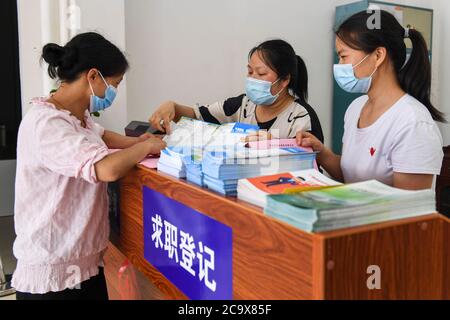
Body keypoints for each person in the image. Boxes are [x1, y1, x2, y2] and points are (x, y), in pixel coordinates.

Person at [12, 32, 166, 300]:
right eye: (114, 83)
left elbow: (102, 135)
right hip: (55, 276)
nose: (113, 92)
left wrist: (137, 140)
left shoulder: (75, 117)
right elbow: (105, 168)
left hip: (83, 267)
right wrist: (145, 147)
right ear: (93, 76)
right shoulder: (48, 124)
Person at [297, 10, 445, 190]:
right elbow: (351, 177)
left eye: (343, 56)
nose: (339, 66)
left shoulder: (413, 123)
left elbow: (408, 210)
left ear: (378, 56)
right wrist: (321, 152)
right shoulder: (356, 108)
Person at [149, 39, 324, 142]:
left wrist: (273, 145)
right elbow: (198, 115)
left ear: (285, 80)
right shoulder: (242, 105)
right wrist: (173, 107)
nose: (253, 79)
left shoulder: (301, 117)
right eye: (250, 72)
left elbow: (308, 165)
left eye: (261, 73)